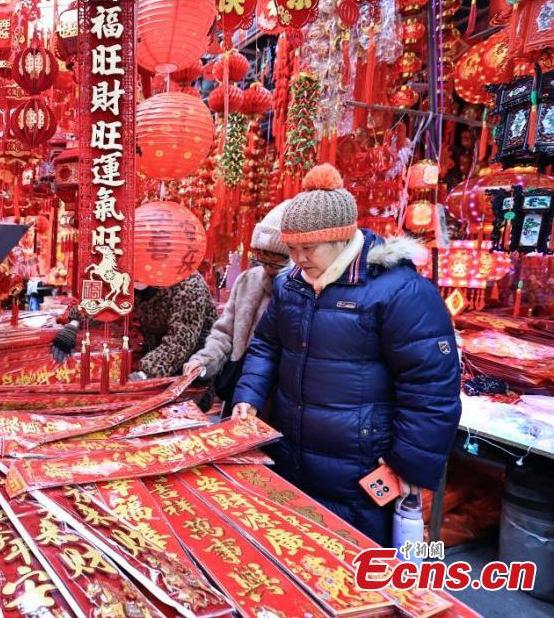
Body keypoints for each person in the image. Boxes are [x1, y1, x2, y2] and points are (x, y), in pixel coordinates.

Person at [232, 164, 462, 545]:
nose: (298, 258)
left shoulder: (398, 291)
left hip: (361, 471)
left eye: (308, 248)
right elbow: (266, 345)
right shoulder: (291, 285)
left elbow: (431, 386)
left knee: (354, 563)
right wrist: (249, 396)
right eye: (292, 248)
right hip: (292, 456)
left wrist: (407, 462)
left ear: (340, 238)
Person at [183, 201, 291, 410]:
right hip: (238, 388)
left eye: (276, 262)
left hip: (279, 398)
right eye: (262, 259)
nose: (268, 268)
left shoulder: (298, 291)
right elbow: (224, 334)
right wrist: (204, 361)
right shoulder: (247, 281)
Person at [52, 272, 217, 380]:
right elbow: (104, 304)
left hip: (193, 371)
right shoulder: (128, 278)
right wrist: (74, 324)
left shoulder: (187, 282)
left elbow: (180, 341)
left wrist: (145, 373)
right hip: (156, 368)